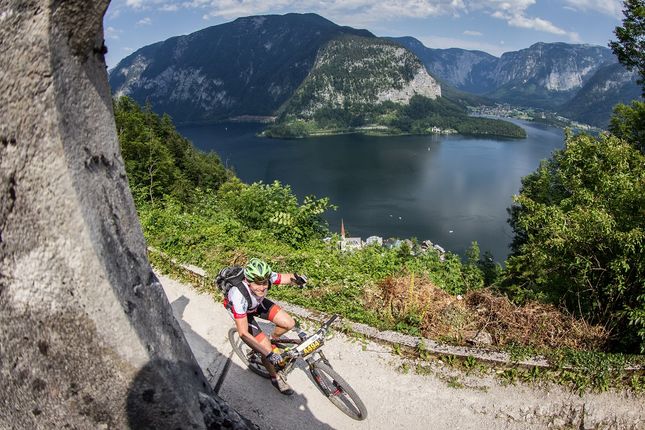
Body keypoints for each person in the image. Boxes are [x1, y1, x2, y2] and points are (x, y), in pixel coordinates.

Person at [224, 258, 308, 395]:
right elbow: (243, 333)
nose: (262, 287)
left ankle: (272, 338)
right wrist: (268, 353)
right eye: (257, 284)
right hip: (245, 312)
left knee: (289, 323)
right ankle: (275, 378)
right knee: (266, 349)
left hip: (257, 303)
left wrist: (297, 279)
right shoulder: (238, 296)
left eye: (264, 283)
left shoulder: (264, 277)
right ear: (248, 281)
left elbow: (283, 278)